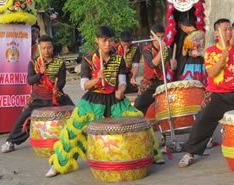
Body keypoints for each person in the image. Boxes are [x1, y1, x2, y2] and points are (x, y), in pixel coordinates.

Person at [47, 27, 162, 177]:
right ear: (97, 41)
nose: (108, 44)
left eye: (111, 40)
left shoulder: (118, 59)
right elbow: (84, 85)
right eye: (104, 41)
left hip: (114, 99)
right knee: (73, 129)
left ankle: (152, 155)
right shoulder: (88, 59)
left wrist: (121, 90)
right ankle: (58, 164)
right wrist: (97, 79)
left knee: (139, 120)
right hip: (93, 99)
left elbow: (122, 81)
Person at [177, 19, 234, 168]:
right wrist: (223, 56)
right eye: (225, 30)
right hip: (217, 96)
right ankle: (190, 153)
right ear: (217, 32)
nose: (228, 32)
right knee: (201, 123)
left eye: (229, 29)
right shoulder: (210, 52)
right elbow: (212, 73)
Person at [2, 35, 72, 153]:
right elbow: (29, 80)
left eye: (49, 47)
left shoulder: (60, 63)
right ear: (40, 48)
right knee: (24, 119)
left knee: (74, 113)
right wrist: (39, 73)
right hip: (38, 97)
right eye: (44, 48)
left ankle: (78, 140)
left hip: (56, 97)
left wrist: (57, 87)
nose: (46, 50)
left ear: (52, 47)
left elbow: (61, 81)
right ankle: (11, 141)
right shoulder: (33, 62)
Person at [134, 24, 174, 113]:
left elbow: (171, 66)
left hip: (162, 82)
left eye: (162, 37)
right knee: (138, 105)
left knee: (168, 105)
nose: (160, 40)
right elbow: (152, 64)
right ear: (151, 37)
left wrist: (173, 65)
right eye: (157, 37)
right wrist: (161, 50)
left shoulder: (168, 50)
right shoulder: (146, 50)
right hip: (149, 83)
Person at [117, 30, 141, 94]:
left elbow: (136, 65)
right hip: (115, 74)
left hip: (127, 74)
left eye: (127, 45)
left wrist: (134, 76)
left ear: (131, 41)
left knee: (132, 87)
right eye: (124, 45)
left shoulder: (135, 48)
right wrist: (124, 55)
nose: (126, 47)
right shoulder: (115, 48)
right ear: (120, 41)